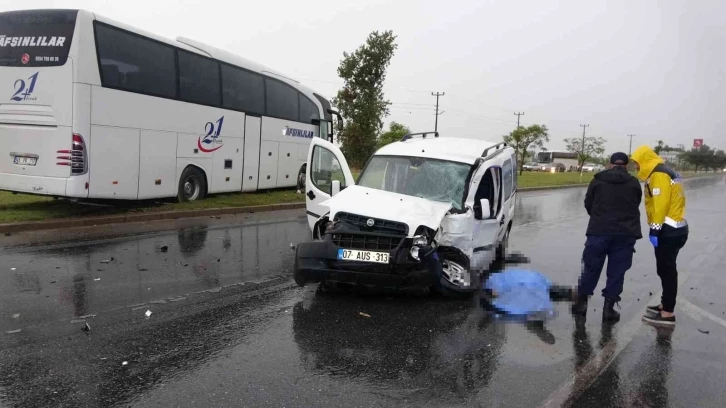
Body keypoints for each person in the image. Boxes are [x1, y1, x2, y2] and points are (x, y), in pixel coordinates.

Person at [572, 152, 642, 322]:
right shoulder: (633, 183)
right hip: (625, 234)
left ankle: (581, 305)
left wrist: (598, 217)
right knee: (617, 272)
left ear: (610, 164)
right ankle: (608, 309)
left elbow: (588, 203)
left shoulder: (598, 180)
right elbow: (636, 203)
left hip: (599, 231)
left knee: (591, 268)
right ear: (626, 166)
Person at [630, 145, 688, 326]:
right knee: (665, 270)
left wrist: (655, 229)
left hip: (668, 229)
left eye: (637, 163)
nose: (637, 168)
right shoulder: (666, 171)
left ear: (645, 160)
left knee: (667, 271)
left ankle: (667, 313)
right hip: (675, 227)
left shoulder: (659, 175)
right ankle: (665, 304)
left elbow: (660, 204)